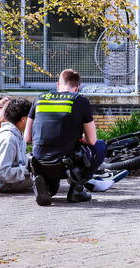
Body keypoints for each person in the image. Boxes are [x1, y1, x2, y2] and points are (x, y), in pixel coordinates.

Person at [24, 69, 107, 205]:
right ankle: (77, 189)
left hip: (39, 162)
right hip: (66, 164)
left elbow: (27, 137)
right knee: (100, 146)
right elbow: (92, 140)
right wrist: (79, 139)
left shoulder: (39, 99)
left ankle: (46, 185)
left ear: (58, 85)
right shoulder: (80, 101)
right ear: (77, 87)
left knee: (52, 186)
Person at [0, 97, 33, 193]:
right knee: (46, 175)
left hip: (16, 180)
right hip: (6, 185)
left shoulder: (18, 133)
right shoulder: (8, 139)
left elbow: (18, 161)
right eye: (31, 118)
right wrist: (28, 170)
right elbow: (1, 172)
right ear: (23, 119)